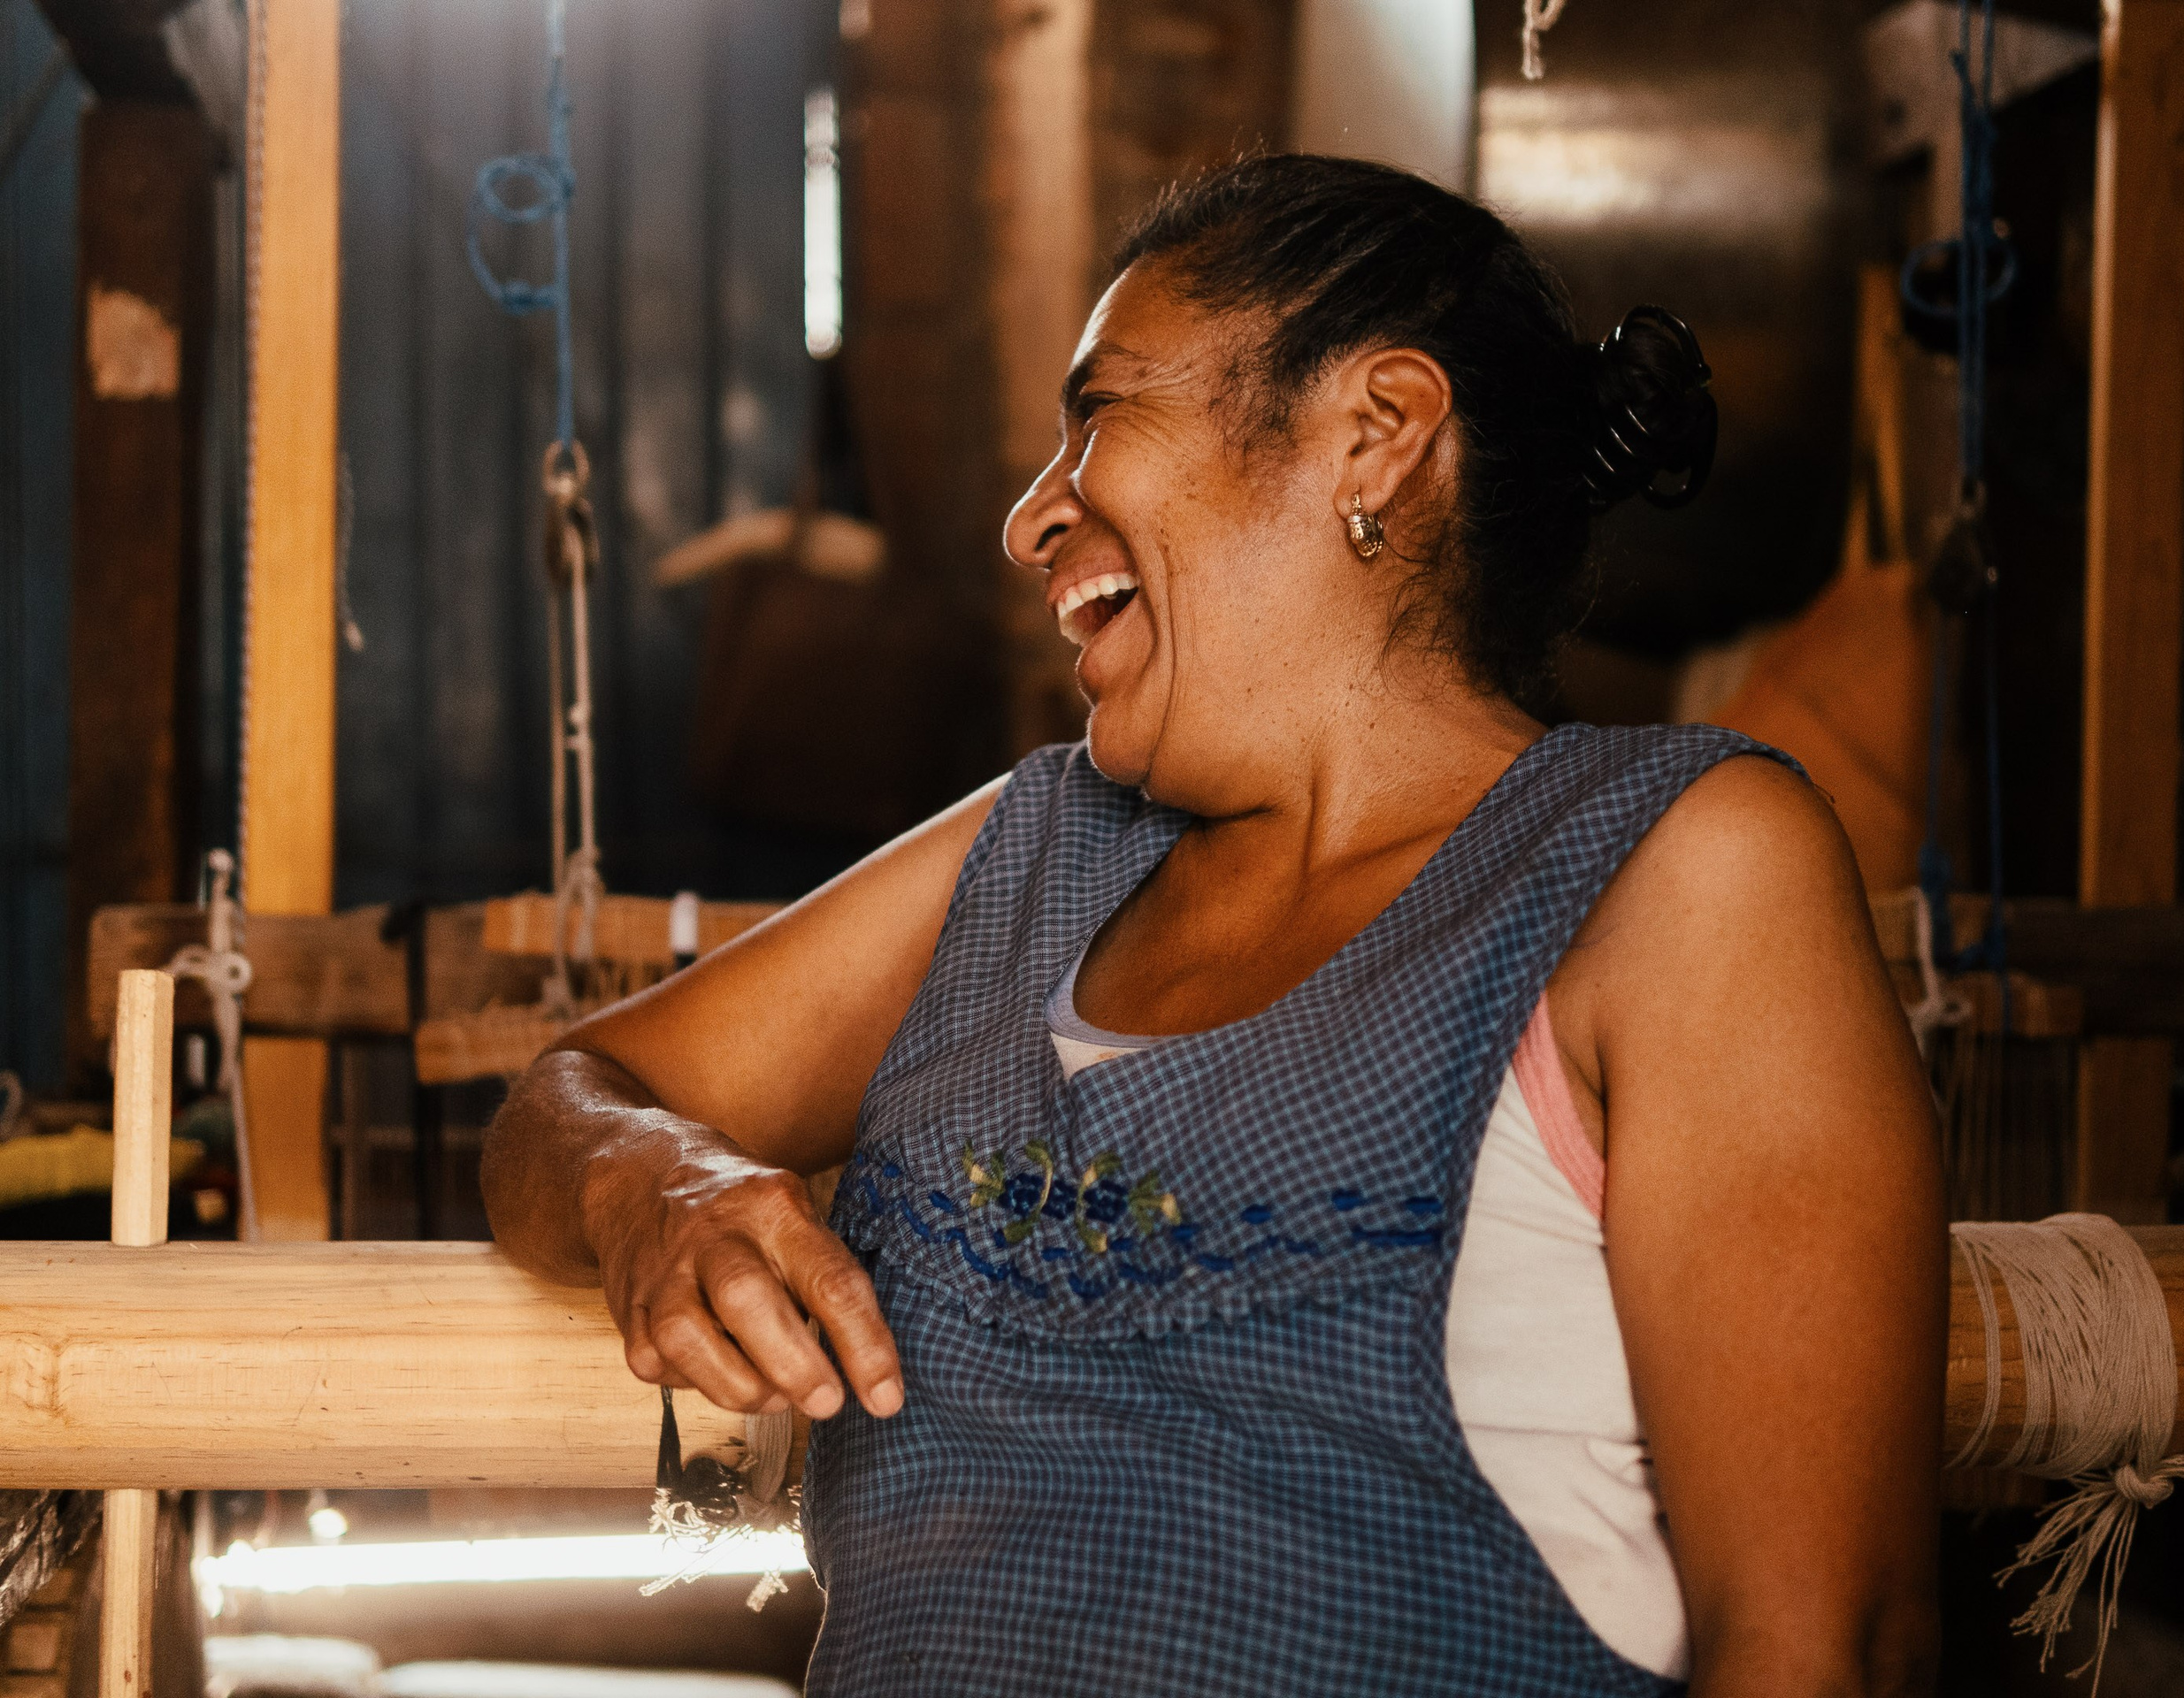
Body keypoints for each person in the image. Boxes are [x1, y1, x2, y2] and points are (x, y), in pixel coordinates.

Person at [483, 154, 1945, 1697]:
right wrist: (653, 1182)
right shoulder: (1028, 852)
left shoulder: (1674, 868)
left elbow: (1826, 1644)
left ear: (1376, 436)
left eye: (1097, 416)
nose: (1029, 519)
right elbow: (564, 1102)